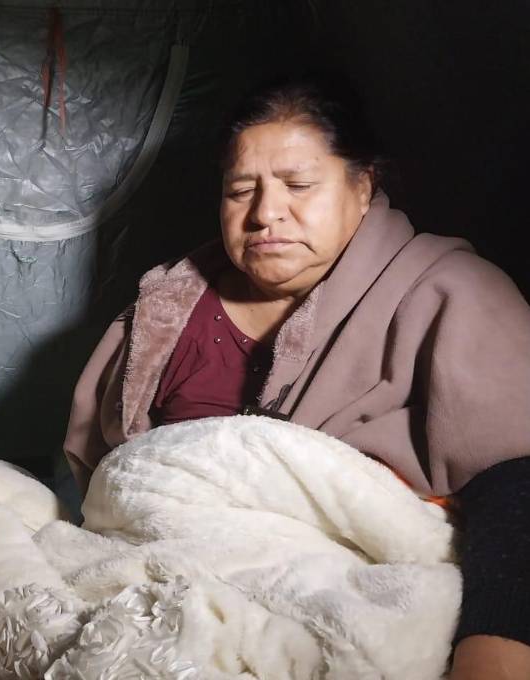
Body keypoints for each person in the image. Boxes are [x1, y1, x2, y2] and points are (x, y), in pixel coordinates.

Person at [64, 78, 530, 679]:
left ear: (363, 187)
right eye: (240, 191)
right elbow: (106, 486)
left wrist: (496, 655)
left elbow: (519, 485)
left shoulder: (449, 293)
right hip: (162, 604)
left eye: (299, 185)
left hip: (350, 605)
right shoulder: (166, 308)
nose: (264, 214)